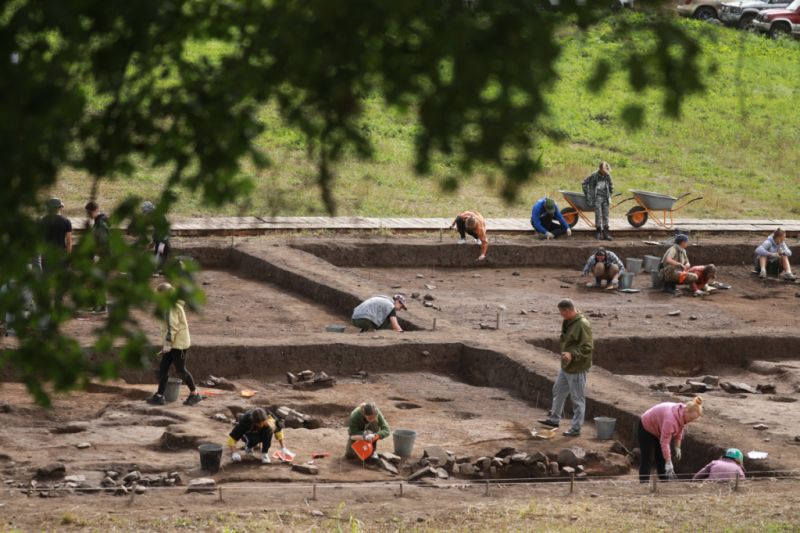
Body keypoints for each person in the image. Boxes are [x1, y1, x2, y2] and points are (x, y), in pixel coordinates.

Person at [537, 299, 593, 437]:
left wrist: (572, 354)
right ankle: (554, 420)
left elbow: (588, 347)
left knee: (577, 399)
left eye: (562, 313)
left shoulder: (582, 324)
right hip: (566, 365)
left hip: (577, 367)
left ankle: (576, 428)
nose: (561, 315)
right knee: (558, 390)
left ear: (568, 310)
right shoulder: (568, 321)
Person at [146, 283, 203, 406]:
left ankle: (195, 394)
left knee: (181, 370)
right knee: (163, 368)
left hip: (179, 345)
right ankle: (160, 396)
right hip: (173, 343)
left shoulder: (171, 307)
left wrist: (167, 344)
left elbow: (172, 328)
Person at [638, 397, 704, 482]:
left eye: (693, 419)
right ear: (686, 411)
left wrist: (677, 447)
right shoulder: (670, 420)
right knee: (647, 458)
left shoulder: (683, 412)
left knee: (661, 457)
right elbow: (664, 442)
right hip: (646, 426)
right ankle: (644, 483)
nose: (691, 421)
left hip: (659, 428)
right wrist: (669, 462)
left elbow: (680, 428)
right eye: (691, 419)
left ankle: (664, 481)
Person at [39, 198, 73, 307]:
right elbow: (69, 241)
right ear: (60, 208)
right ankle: (59, 304)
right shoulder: (66, 221)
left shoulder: (44, 220)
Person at [85, 201, 111, 312]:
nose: (88, 215)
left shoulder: (101, 223)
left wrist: (97, 257)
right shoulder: (99, 221)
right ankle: (99, 305)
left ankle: (101, 306)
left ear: (95, 210)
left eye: (89, 212)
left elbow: (103, 242)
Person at [582, 161, 614, 241]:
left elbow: (611, 186)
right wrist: (588, 195)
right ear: (600, 169)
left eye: (606, 171)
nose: (605, 173)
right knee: (598, 215)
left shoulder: (608, 175)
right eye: (604, 171)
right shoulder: (594, 175)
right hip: (597, 198)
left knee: (606, 215)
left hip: (605, 198)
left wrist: (609, 194)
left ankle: (606, 234)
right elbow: (584, 183)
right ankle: (598, 232)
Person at [141, 201, 171, 273]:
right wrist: (153, 241)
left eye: (147, 213)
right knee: (161, 253)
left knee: (159, 253)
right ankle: (160, 270)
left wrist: (154, 241)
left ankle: (156, 270)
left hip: (162, 240)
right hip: (162, 238)